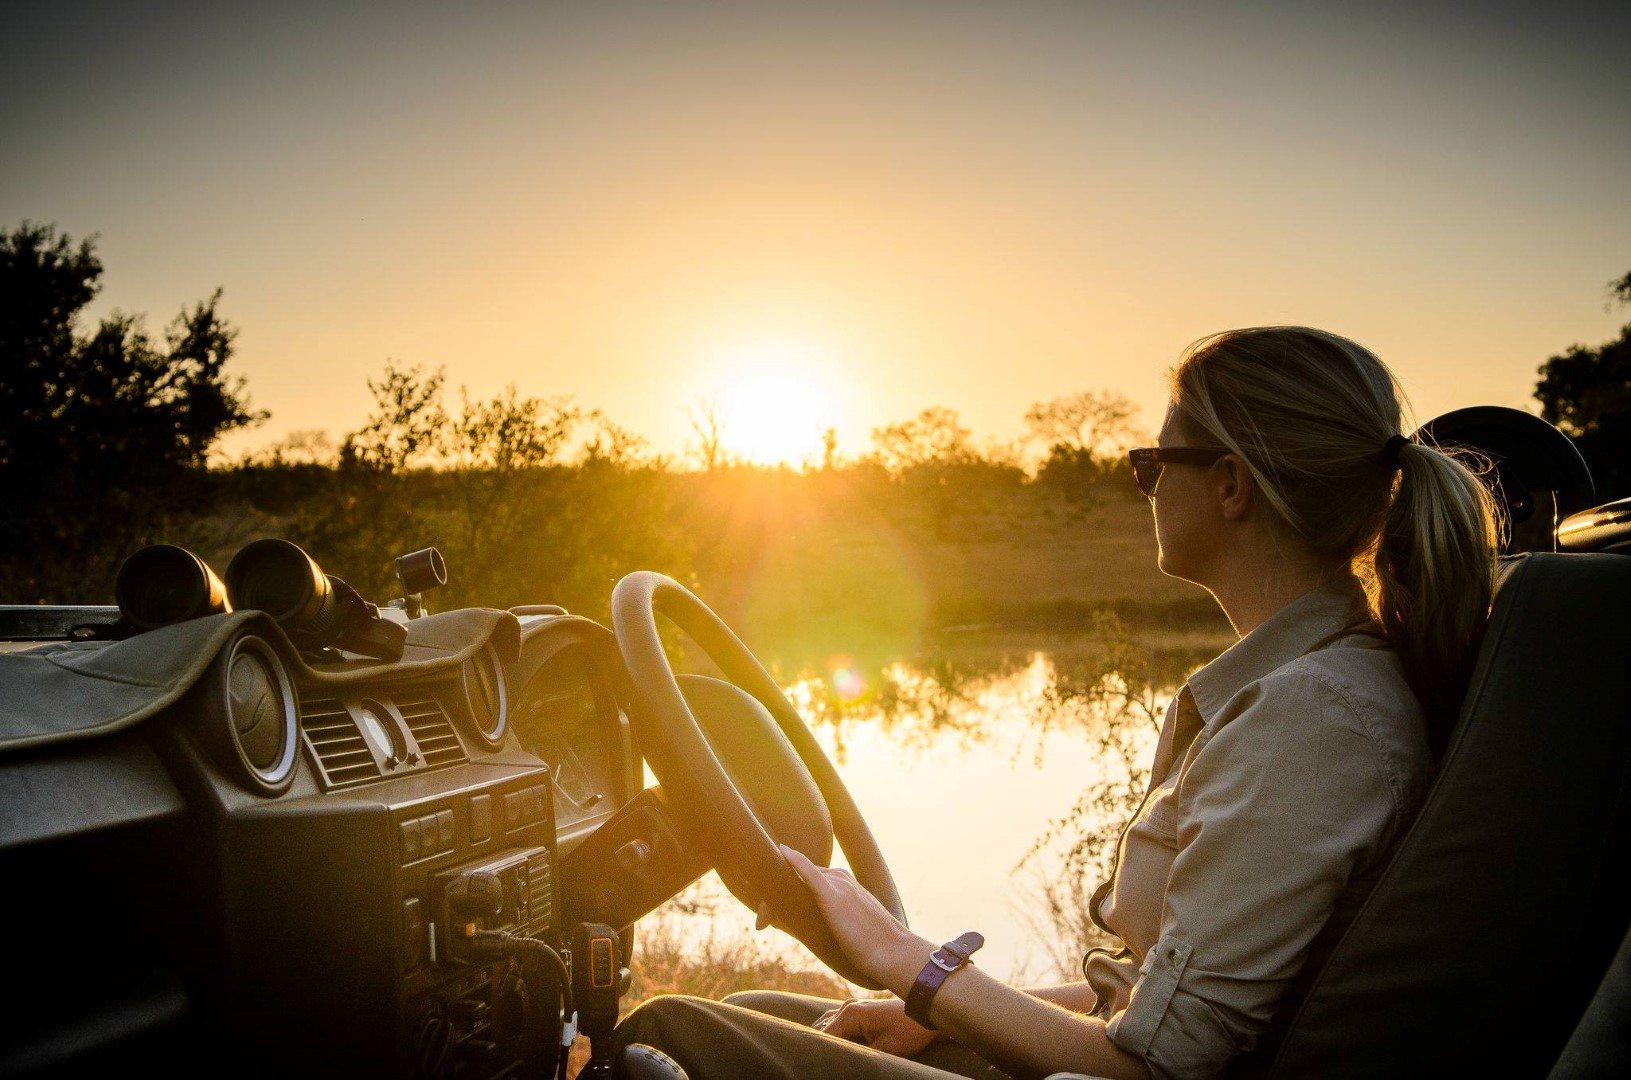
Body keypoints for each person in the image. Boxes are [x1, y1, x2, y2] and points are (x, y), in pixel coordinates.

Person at [611, 326, 1501, 1079]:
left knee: (672, 1034)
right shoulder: (1300, 695)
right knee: (766, 1010)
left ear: (1230, 485)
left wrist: (904, 961)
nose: (1144, 487)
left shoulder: (1309, 720)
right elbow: (1166, 993)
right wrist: (931, 1008)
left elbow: (1161, 1063)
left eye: (1153, 464)